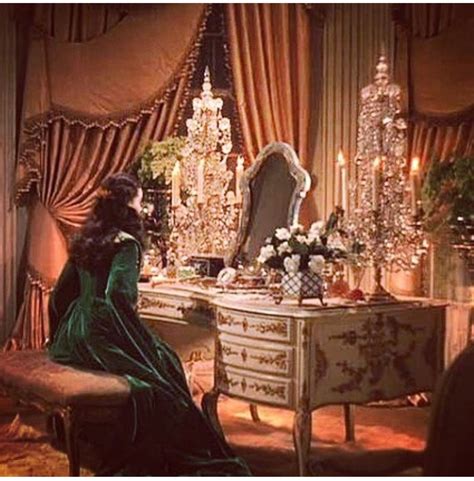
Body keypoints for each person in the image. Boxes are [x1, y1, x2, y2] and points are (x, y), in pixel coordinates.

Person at [48, 172, 252, 476]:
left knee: (160, 356)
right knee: (164, 366)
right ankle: (179, 443)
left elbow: (60, 296)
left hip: (76, 331)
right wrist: (135, 335)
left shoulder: (85, 240)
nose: (141, 209)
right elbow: (118, 296)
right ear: (128, 206)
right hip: (103, 329)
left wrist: (57, 335)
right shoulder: (126, 244)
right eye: (139, 202)